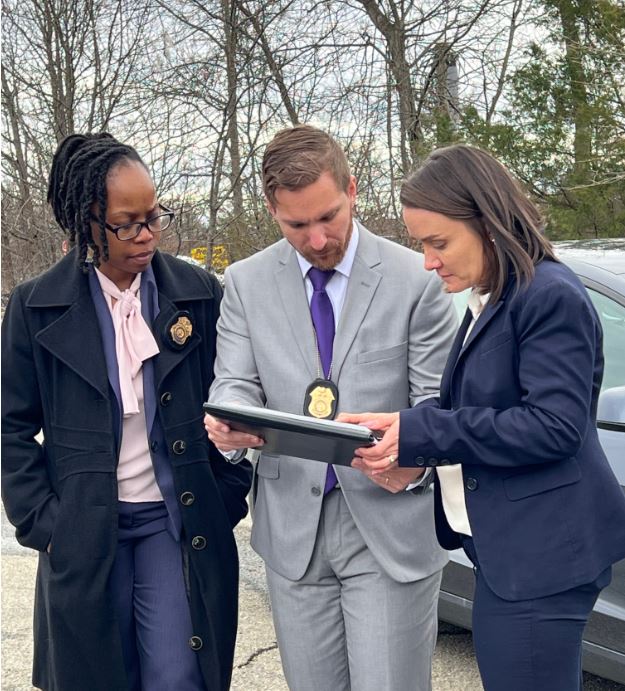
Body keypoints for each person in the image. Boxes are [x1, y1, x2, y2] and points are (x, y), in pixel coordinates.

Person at [343, 144, 625, 691]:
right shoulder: (495, 297)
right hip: (507, 556)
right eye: (421, 245)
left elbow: (554, 426)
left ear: (488, 222)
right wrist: (408, 445)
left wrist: (421, 432)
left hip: (541, 561)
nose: (428, 260)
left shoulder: (550, 296)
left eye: (438, 242)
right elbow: (478, 413)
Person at [205, 124, 458, 691]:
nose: (318, 240)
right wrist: (228, 421)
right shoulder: (244, 283)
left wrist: (411, 458)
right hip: (293, 528)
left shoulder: (416, 279)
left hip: (390, 523)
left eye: (328, 217)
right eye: (297, 225)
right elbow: (234, 384)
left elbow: (438, 406)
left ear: (353, 188)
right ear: (272, 210)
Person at [1, 133, 253, 691]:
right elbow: (10, 428)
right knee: (96, 674)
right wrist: (44, 523)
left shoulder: (200, 295)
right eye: (126, 223)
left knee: (178, 674)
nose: (147, 235)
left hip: (175, 524)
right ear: (85, 222)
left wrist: (225, 495)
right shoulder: (34, 307)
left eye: (153, 217)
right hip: (85, 528)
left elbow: (237, 398)